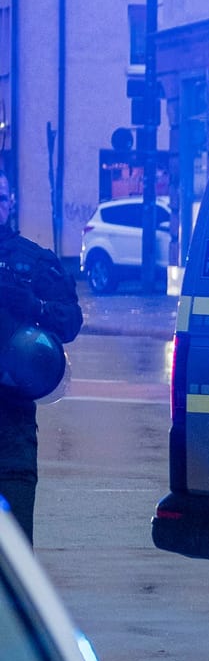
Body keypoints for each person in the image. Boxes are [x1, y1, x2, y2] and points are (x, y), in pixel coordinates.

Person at [0, 174, 82, 544]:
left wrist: (35, 306)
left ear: (11, 202)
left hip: (12, 422)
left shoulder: (32, 262)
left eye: (0, 197)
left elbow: (70, 320)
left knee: (15, 545)